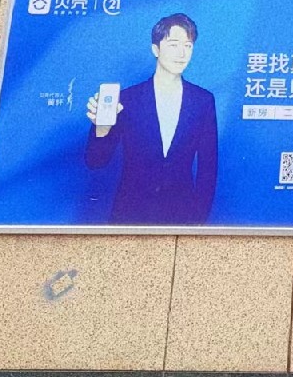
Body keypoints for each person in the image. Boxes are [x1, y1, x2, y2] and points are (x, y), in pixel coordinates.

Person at [85, 13, 218, 224]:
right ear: (156, 49)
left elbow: (208, 167)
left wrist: (199, 222)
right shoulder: (127, 99)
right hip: (130, 215)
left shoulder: (203, 100)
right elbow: (96, 162)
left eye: (188, 46)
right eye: (173, 45)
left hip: (181, 216)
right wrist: (101, 129)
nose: (182, 53)